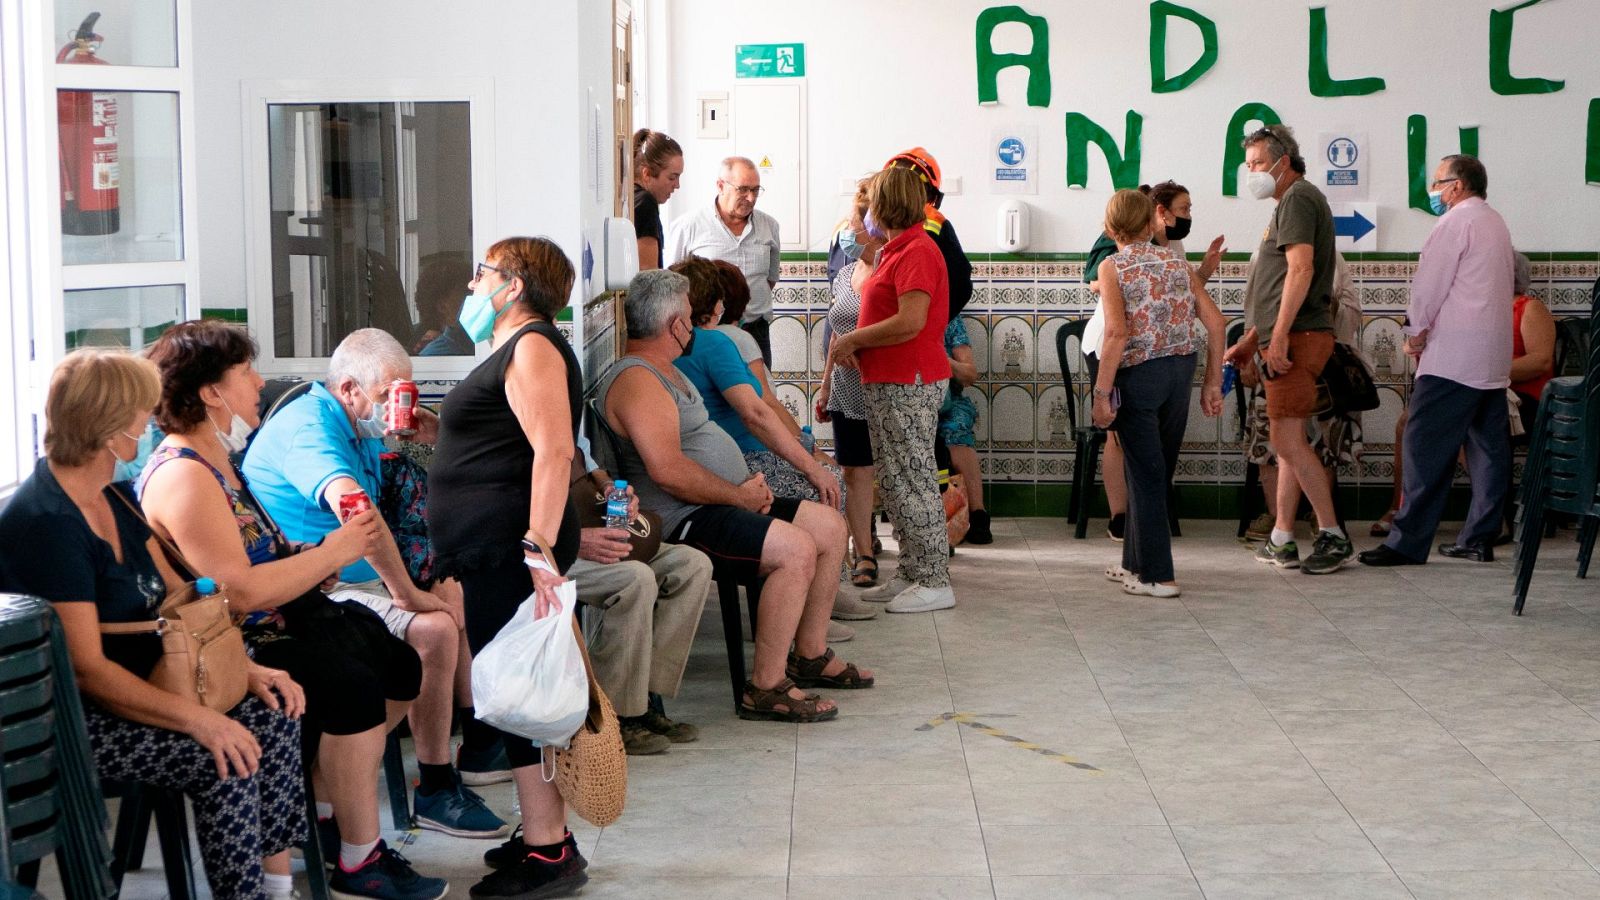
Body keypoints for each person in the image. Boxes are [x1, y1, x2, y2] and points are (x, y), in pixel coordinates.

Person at [137, 321, 443, 900]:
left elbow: (255, 553)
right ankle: (360, 857)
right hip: (237, 645)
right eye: (245, 372)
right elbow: (237, 595)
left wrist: (305, 559)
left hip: (282, 616)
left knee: (400, 662)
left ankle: (326, 814)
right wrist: (331, 552)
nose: (259, 383)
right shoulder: (183, 475)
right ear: (210, 392)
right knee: (351, 683)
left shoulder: (219, 460)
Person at [0, 349, 306, 900]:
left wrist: (246, 669)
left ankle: (276, 887)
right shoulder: (44, 523)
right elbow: (88, 671)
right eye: (142, 412)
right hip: (76, 721)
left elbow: (182, 597)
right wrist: (199, 720)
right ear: (114, 427)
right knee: (226, 757)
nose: (149, 423)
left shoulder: (113, 498)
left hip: (151, 681)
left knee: (274, 713)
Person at [241, 328, 506, 838]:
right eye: (387, 396)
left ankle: (478, 742)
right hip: (313, 587)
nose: (395, 406)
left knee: (460, 592)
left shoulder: (355, 428)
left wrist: (433, 435)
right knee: (433, 629)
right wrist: (409, 593)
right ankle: (433, 783)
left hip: (354, 580)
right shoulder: (309, 429)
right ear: (348, 390)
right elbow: (358, 513)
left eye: (403, 392)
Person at [596, 269, 874, 722]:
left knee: (828, 525)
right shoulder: (638, 381)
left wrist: (744, 491)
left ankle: (809, 653)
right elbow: (668, 472)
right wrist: (738, 496)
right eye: (688, 316)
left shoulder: (663, 370)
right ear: (674, 325)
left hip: (718, 500)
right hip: (687, 515)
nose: (693, 323)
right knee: (796, 550)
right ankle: (765, 687)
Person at [425, 237, 589, 898]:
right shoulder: (519, 347)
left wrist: (538, 551)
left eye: (483, 274)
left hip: (511, 553)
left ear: (514, 284)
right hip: (495, 548)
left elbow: (554, 455)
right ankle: (544, 831)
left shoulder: (533, 347)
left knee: (523, 700)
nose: (471, 286)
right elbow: (511, 438)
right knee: (518, 693)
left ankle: (549, 851)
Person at [1360, 156, 1516, 567]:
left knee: (1422, 444)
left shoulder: (1453, 223)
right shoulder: (1495, 222)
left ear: (1458, 186)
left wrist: (1414, 332)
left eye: (1438, 183)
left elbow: (1430, 284)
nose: (1434, 190)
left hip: (1454, 356)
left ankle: (1406, 542)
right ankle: (1479, 536)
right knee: (1488, 448)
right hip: (1491, 356)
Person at [1223, 124, 1354, 575]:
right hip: (1288, 335)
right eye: (1249, 165)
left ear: (1284, 161)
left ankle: (1332, 534)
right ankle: (1282, 537)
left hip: (1299, 338)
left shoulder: (1298, 198)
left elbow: (1299, 271)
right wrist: (1251, 339)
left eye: (1258, 164)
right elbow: (1276, 286)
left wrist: (1278, 337)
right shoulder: (1291, 202)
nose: (1252, 173)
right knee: (1285, 440)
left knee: (1289, 440)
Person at [826, 166, 955, 614]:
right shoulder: (897, 248)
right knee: (897, 482)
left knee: (914, 480)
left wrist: (854, 340)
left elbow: (910, 321)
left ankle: (934, 579)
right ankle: (911, 572)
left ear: (886, 204)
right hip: (887, 381)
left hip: (910, 381)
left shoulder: (918, 250)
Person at [1091, 190, 1225, 597]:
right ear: (1152, 224)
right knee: (1152, 470)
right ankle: (1134, 563)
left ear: (1111, 228)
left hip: (1140, 377)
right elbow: (1217, 324)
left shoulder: (1112, 266)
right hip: (1179, 373)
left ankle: (1158, 576)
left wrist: (1101, 393)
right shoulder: (1177, 263)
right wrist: (1212, 382)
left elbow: (1115, 332)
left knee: (1146, 475)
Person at [566, 444, 714, 755]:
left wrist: (611, 489)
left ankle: (644, 698)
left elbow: (591, 464)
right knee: (635, 579)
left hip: (590, 526)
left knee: (691, 565)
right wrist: (573, 541)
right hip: (549, 551)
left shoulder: (566, 409)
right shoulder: (506, 422)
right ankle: (614, 714)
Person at [1243, 254, 1365, 541]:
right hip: (1273, 357)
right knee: (1271, 426)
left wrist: (1330, 315)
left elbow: (1351, 312)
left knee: (1330, 425)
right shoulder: (1263, 256)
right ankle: (1277, 518)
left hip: (1325, 359)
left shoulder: (1331, 258)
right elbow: (1254, 310)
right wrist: (1249, 351)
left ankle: (1318, 518)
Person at [817, 187, 886, 586]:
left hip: (882, 384)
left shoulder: (888, 272)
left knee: (888, 471)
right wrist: (825, 384)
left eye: (854, 225)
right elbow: (835, 332)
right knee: (854, 471)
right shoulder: (846, 273)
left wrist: (857, 347)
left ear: (872, 230)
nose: (847, 232)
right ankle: (864, 552)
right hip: (845, 386)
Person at [665, 156, 781, 365]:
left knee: (759, 391)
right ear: (721, 186)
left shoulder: (769, 226)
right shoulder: (688, 226)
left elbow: (770, 280)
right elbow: (673, 284)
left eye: (756, 190)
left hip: (755, 331)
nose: (751, 198)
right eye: (743, 189)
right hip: (704, 333)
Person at [632, 128, 683, 270]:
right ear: (647, 173)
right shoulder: (645, 203)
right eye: (672, 177)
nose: (677, 185)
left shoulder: (632, 198)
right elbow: (648, 274)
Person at [412, 252, 476, 356]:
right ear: (443, 306)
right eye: (466, 293)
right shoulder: (437, 354)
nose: (473, 297)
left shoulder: (473, 344)